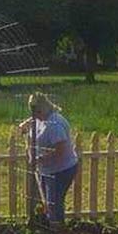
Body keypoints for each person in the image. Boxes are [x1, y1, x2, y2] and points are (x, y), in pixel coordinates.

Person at [19, 93, 78, 225]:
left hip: (61, 170)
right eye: (33, 112)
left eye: (37, 112)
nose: (35, 116)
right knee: (48, 201)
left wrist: (39, 159)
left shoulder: (54, 125)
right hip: (47, 169)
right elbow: (32, 125)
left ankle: (58, 231)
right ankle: (52, 227)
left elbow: (60, 151)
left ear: (44, 108)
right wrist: (25, 126)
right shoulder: (40, 118)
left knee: (53, 203)